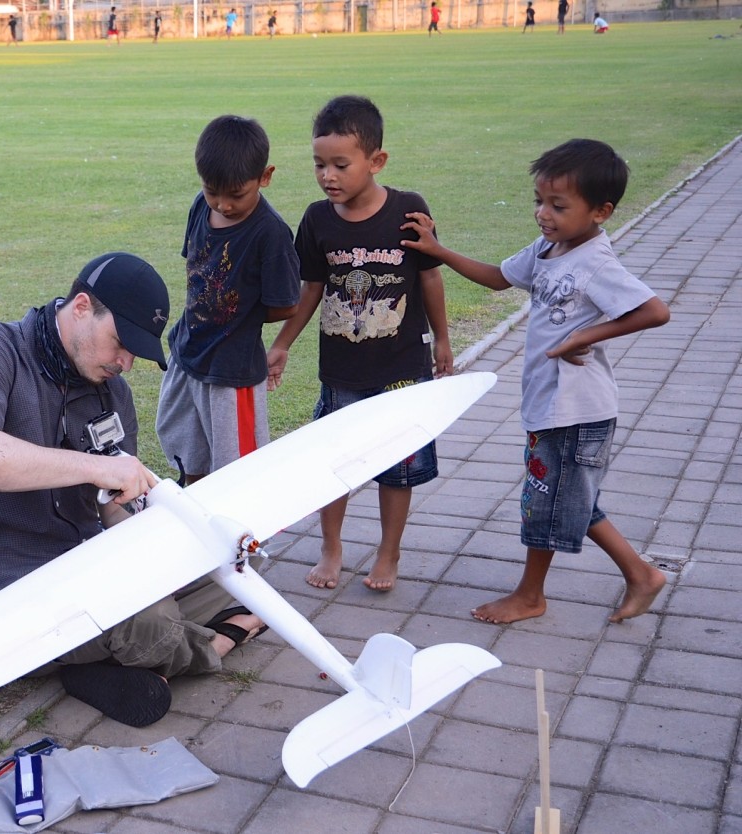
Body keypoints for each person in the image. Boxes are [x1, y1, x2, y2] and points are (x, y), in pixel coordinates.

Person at [0, 253, 267, 727]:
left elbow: (111, 509)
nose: (125, 362)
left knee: (232, 570)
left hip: (84, 568)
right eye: (121, 343)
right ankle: (217, 642)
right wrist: (93, 468)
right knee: (151, 624)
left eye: (136, 353)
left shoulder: (112, 392)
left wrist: (155, 536)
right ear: (83, 307)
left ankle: (102, 659)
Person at [400, 138, 670, 625]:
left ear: (601, 211)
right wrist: (438, 250)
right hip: (551, 404)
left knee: (546, 502)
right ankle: (641, 574)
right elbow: (500, 278)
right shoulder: (551, 247)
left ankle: (530, 596)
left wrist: (585, 335)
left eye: (558, 205)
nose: (543, 213)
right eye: (539, 201)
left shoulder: (595, 263)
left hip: (578, 409)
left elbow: (654, 310)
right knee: (568, 498)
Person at [266, 95, 452, 593]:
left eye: (340, 165)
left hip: (403, 370)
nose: (328, 175)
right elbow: (311, 289)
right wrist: (283, 343)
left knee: (399, 471)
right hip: (341, 372)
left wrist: (443, 341)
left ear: (376, 161)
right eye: (319, 164)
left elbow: (431, 278)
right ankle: (331, 547)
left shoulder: (409, 210)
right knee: (335, 465)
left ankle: (388, 553)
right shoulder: (317, 220)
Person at [156, 115, 300, 490]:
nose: (223, 204)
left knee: (239, 474)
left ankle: (244, 547)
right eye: (212, 191)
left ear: (265, 176)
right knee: (187, 452)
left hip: (232, 372)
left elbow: (286, 303)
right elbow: (195, 264)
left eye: (236, 194)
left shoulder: (270, 234)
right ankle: (198, 527)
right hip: (187, 354)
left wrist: (239, 317)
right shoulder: (200, 208)